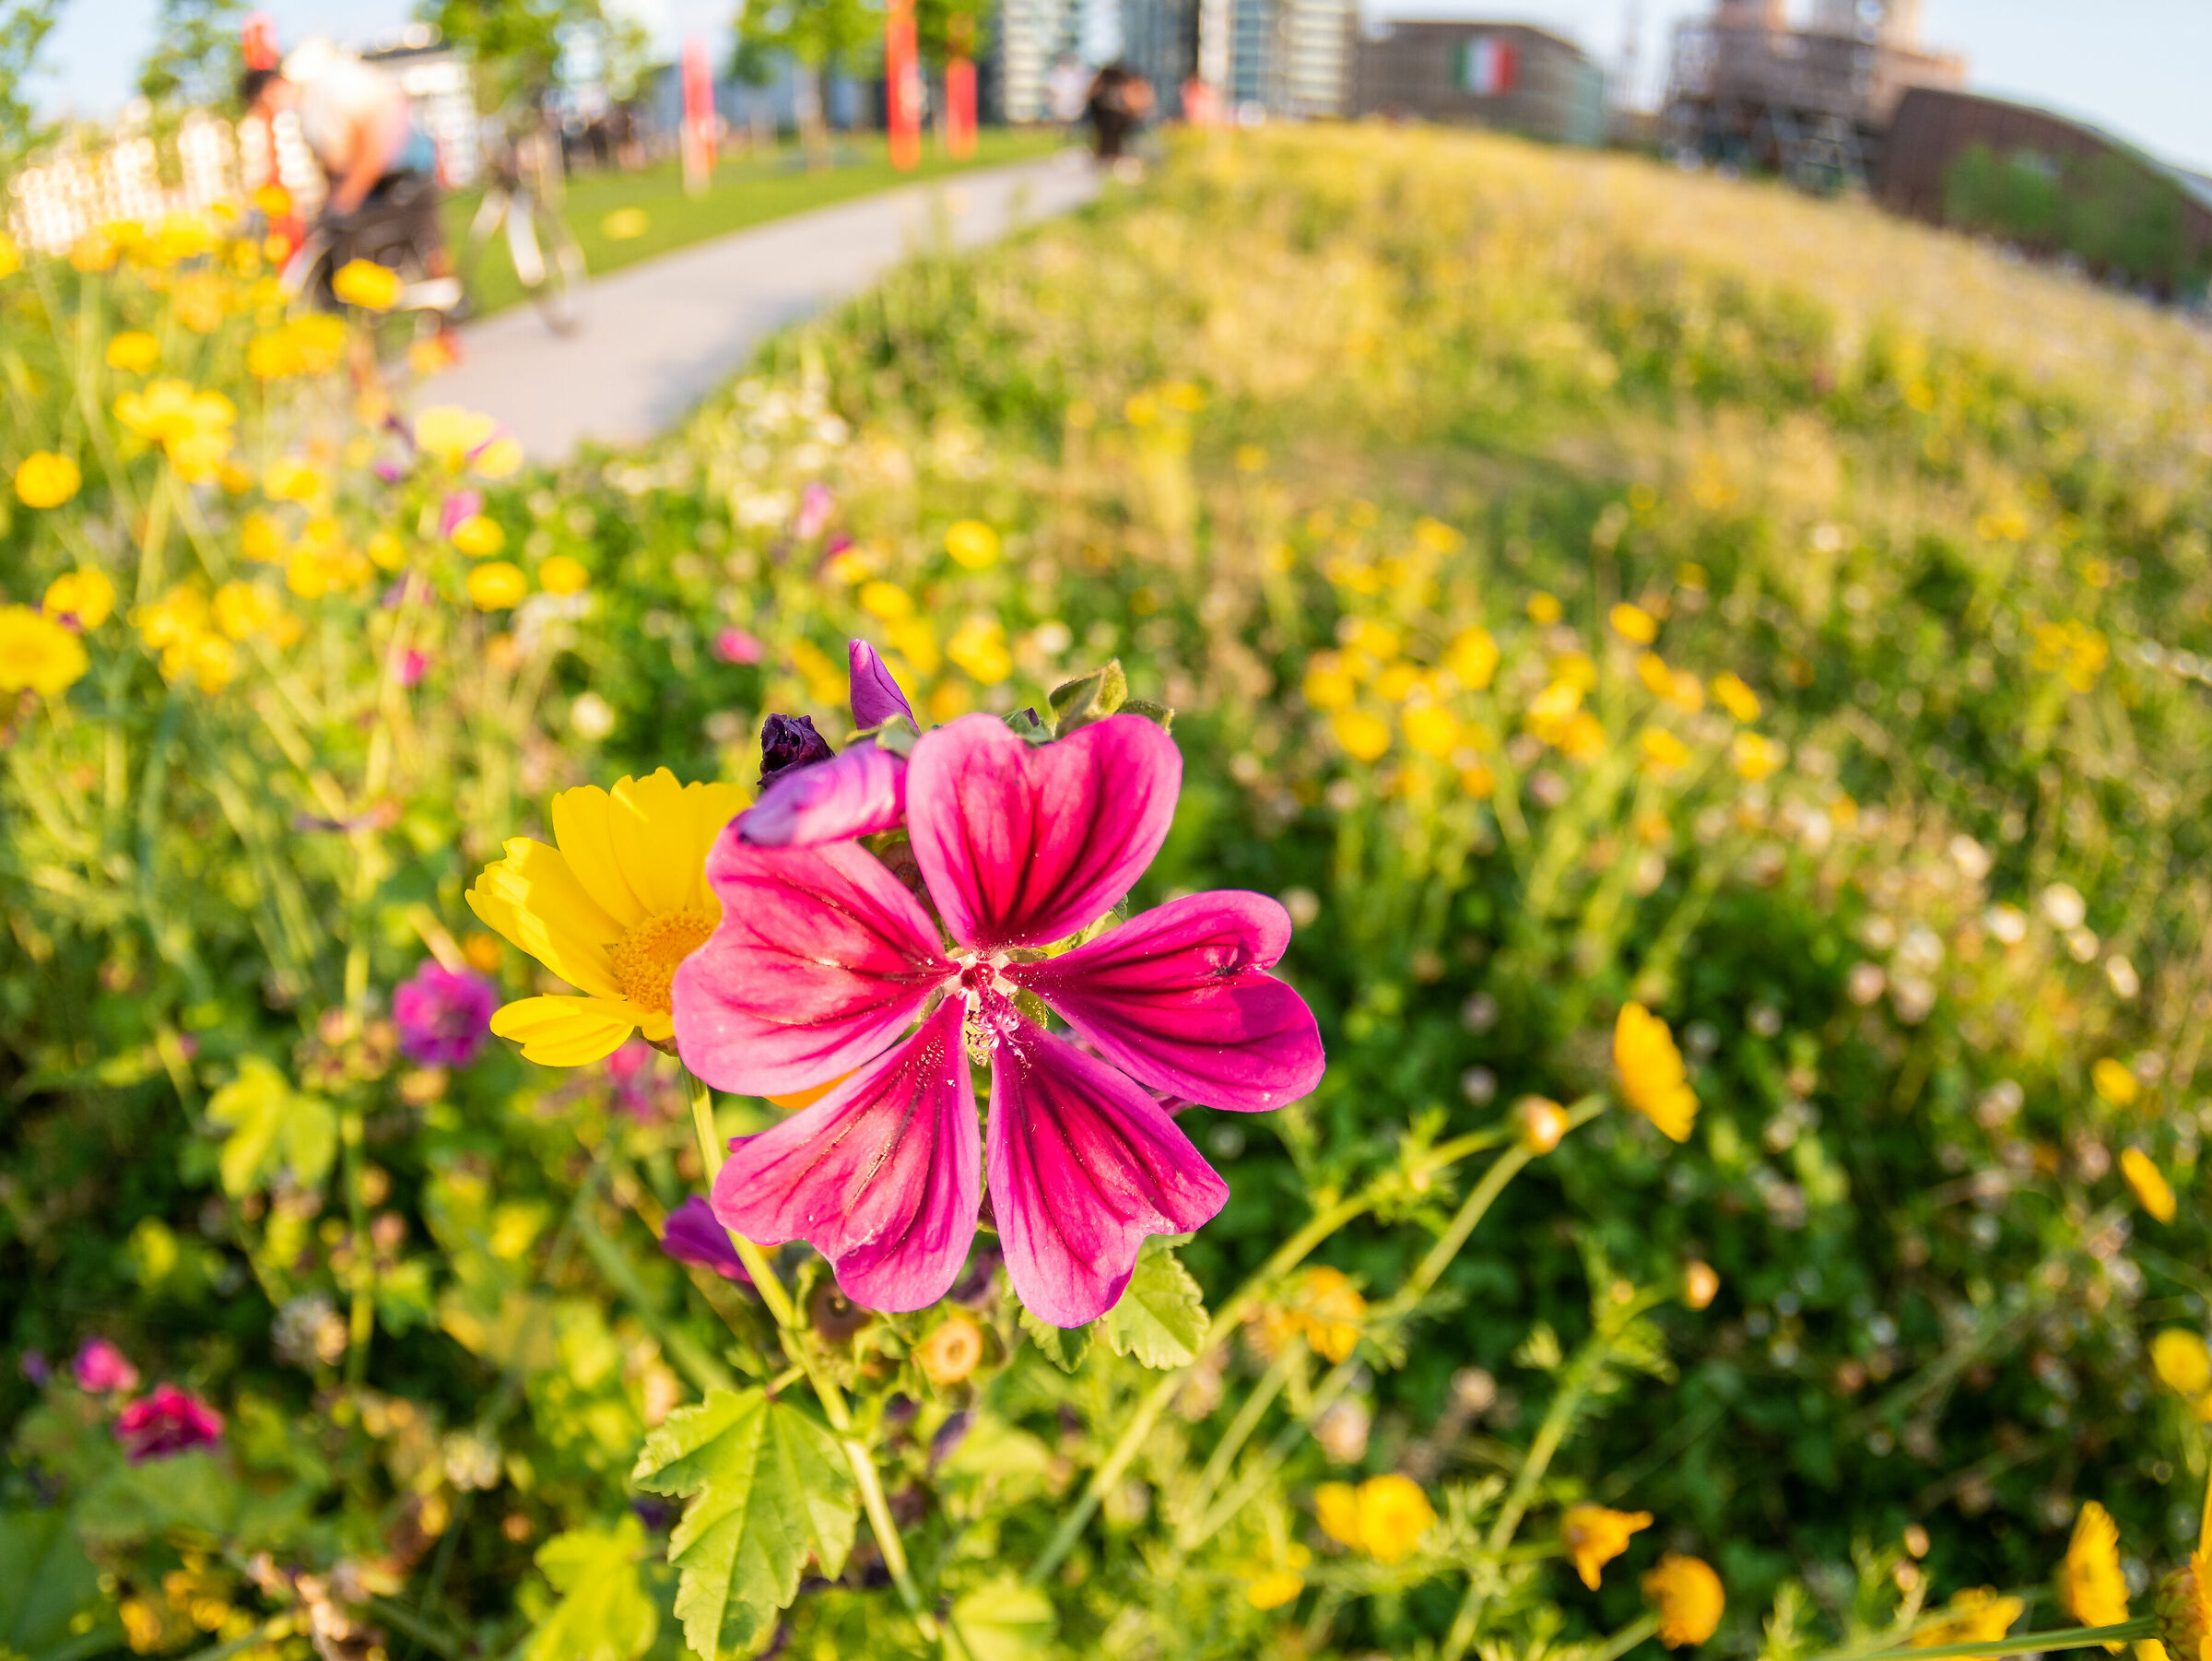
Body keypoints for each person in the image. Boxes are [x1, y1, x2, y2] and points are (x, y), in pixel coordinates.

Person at [239, 39, 455, 344]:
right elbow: (332, 169)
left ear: (271, 88)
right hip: (374, 178)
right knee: (355, 242)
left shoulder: (327, 86)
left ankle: (447, 326)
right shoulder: (306, 115)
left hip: (402, 170)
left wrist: (346, 198)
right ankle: (370, 333)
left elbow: (375, 135)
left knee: (425, 241)